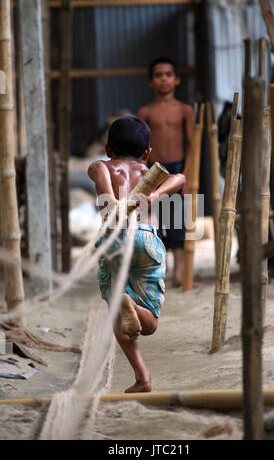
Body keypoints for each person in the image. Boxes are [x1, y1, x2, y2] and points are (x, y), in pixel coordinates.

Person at [88, 116, 185, 393]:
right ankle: (142, 378)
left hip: (113, 240)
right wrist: (155, 195)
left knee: (119, 313)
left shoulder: (101, 165)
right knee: (150, 323)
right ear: (147, 152)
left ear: (108, 149)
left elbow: (103, 181)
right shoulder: (149, 173)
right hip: (147, 239)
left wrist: (117, 203)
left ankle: (142, 374)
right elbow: (180, 177)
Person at [137, 57, 194, 287]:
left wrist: (187, 175)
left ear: (176, 79)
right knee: (155, 219)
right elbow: (140, 145)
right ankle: (162, 267)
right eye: (158, 75)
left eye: (168, 74)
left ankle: (179, 270)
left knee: (178, 218)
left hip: (178, 167)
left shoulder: (184, 110)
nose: (164, 79)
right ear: (151, 81)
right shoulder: (146, 112)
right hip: (153, 169)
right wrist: (142, 174)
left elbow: (192, 145)